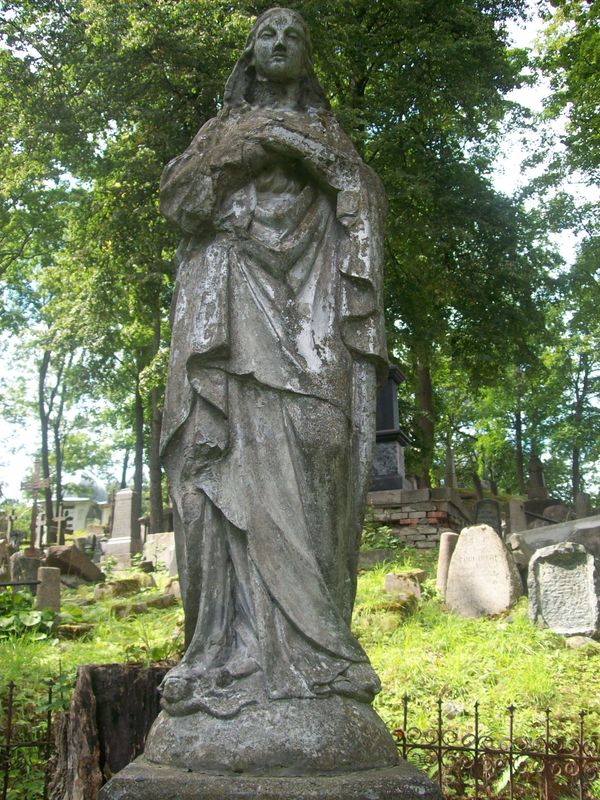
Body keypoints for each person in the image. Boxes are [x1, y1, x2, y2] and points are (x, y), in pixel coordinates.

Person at [158, 7, 388, 719]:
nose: (280, 42)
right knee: (216, 475)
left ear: (306, 58)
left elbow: (364, 210)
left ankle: (319, 656)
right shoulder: (222, 133)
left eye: (293, 35)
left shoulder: (331, 139)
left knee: (319, 461)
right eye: (267, 33)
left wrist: (317, 160)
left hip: (312, 323)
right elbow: (181, 203)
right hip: (227, 320)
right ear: (251, 55)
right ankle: (229, 652)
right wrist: (252, 148)